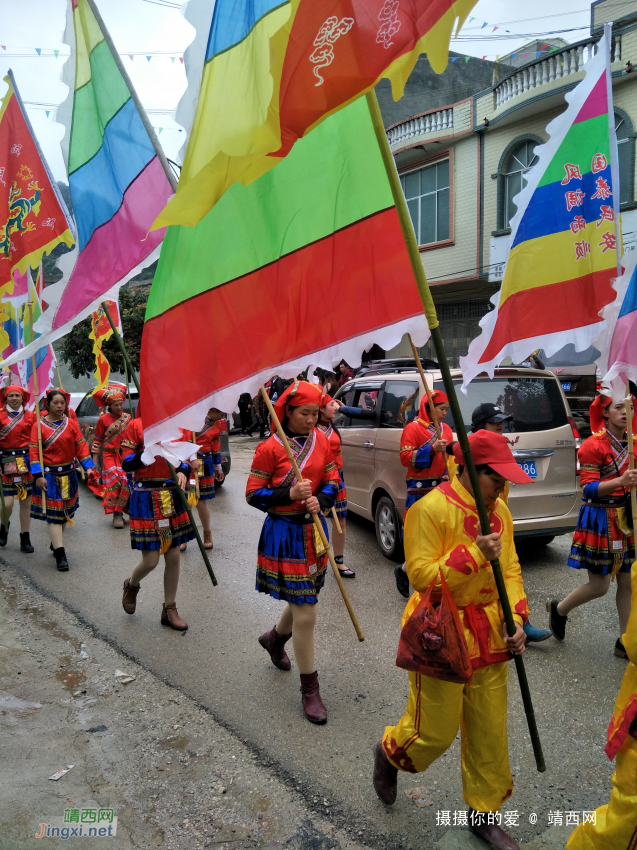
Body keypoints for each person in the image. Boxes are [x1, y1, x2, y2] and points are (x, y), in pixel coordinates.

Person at [373, 431, 533, 850]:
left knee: (488, 730)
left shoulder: (502, 512)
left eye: (504, 479)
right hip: (440, 631)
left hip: (490, 633)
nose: (502, 487)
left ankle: (484, 814)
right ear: (469, 469)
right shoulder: (429, 509)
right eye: (495, 478)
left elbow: (511, 570)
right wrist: (474, 554)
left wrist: (516, 616)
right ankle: (390, 752)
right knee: (434, 734)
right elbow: (421, 576)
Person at [246, 380, 340, 724]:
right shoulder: (268, 448)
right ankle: (310, 690)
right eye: (305, 413)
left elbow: (333, 479)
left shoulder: (323, 441)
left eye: (316, 413)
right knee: (306, 613)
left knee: (303, 598)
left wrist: (322, 498)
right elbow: (253, 494)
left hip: (313, 531)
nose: (312, 419)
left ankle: (274, 639)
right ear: (287, 411)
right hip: (284, 533)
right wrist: (289, 494)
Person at [548, 394, 637, 657]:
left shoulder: (633, 445)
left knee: (628, 582)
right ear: (605, 413)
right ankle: (560, 609)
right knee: (599, 587)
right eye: (618, 407)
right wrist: (622, 480)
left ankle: (625, 641)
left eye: (629, 408)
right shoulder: (592, 445)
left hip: (626, 519)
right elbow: (588, 489)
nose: (625, 412)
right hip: (600, 518)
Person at [465, 403, 552, 643]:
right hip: (475, 526)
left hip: (499, 517)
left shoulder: (501, 448)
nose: (501, 425)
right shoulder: (468, 456)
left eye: (502, 421)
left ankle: (518, 619)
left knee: (510, 568)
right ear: (480, 427)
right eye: (495, 422)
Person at [566, 560, 637, 850]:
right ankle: (559, 610)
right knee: (601, 584)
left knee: (620, 583)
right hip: (605, 520)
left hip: (619, 527)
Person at [120, 417, 195, 631]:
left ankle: (169, 608)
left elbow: (186, 460)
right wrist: (148, 453)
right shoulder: (136, 425)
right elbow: (125, 463)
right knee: (151, 561)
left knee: (173, 556)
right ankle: (132, 585)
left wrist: (183, 470)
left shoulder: (179, 425)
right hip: (146, 499)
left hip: (172, 496)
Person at [394, 390, 452, 599]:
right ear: (429, 408)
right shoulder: (413, 428)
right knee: (420, 539)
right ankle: (409, 573)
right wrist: (432, 449)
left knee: (441, 538)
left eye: (446, 409)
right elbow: (405, 457)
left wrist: (449, 474)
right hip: (419, 490)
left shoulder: (446, 430)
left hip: (442, 490)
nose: (445, 413)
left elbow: (450, 458)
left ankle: (424, 578)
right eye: (441, 409)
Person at [30, 388, 95, 571]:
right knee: (55, 516)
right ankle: (60, 554)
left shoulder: (72, 424)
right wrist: (38, 476)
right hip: (49, 476)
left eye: (62, 403)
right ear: (47, 405)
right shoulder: (38, 425)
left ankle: (55, 542)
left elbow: (81, 447)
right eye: (55, 403)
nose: (59, 406)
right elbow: (34, 451)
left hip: (69, 474)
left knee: (66, 514)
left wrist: (89, 468)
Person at [318, 393, 354, 578]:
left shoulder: (332, 427)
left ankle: (338, 561)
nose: (335, 407)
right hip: (319, 480)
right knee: (315, 521)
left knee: (340, 521)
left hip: (337, 478)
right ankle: (318, 560)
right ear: (320, 409)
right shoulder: (312, 429)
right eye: (331, 404)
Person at [180, 407, 226, 550]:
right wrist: (192, 457)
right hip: (189, 462)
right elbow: (185, 440)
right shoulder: (193, 418)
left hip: (205, 464)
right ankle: (183, 535)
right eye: (221, 412)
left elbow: (216, 445)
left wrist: (218, 467)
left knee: (201, 501)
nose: (223, 415)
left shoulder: (217, 423)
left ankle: (207, 533)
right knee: (186, 501)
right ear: (211, 410)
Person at [0, 385, 35, 553]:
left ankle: (25, 537)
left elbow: (37, 441)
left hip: (25, 462)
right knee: (6, 504)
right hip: (5, 461)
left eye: (17, 395)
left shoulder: (31, 416)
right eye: (11, 395)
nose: (14, 398)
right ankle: (4, 525)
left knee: (25, 502)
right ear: (5, 398)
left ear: (23, 399)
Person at [91, 386, 131, 529]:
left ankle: (120, 511)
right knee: (115, 484)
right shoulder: (103, 420)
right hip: (108, 455)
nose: (119, 407)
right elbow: (97, 441)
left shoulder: (128, 418)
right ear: (109, 406)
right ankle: (116, 514)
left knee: (126, 483)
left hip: (124, 455)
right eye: (116, 405)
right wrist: (94, 462)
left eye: (121, 404)